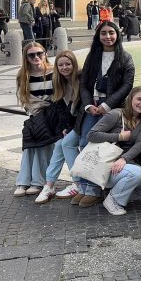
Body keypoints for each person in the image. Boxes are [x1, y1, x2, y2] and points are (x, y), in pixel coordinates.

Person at [85, 87, 141, 215]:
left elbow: (139, 146)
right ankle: (114, 201)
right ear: (130, 99)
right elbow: (91, 135)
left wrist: (124, 159)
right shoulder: (116, 114)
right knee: (137, 173)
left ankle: (117, 193)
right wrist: (119, 137)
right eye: (139, 99)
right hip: (107, 164)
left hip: (126, 164)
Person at [14, 44, 67, 196]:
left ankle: (38, 182)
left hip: (53, 115)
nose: (36, 57)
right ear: (26, 58)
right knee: (29, 144)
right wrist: (36, 111)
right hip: (35, 113)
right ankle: (23, 181)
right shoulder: (23, 75)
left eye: (39, 53)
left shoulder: (54, 72)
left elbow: (60, 95)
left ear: (45, 54)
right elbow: (25, 99)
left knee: (42, 145)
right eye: (31, 55)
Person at [77, 21, 135, 147]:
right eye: (103, 33)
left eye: (111, 33)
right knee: (84, 141)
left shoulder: (126, 58)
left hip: (112, 106)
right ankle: (86, 166)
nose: (107, 36)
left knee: (106, 143)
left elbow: (127, 85)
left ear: (117, 35)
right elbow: (84, 84)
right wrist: (88, 105)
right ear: (98, 36)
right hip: (92, 104)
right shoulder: (92, 56)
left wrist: (107, 105)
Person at [34, 51, 81, 203]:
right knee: (60, 144)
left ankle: (78, 183)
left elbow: (81, 108)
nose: (64, 67)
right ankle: (49, 185)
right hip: (70, 124)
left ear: (74, 64)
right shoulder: (58, 83)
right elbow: (60, 108)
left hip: (84, 123)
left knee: (64, 143)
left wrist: (71, 127)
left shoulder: (81, 80)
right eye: (60, 65)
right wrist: (64, 127)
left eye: (68, 64)